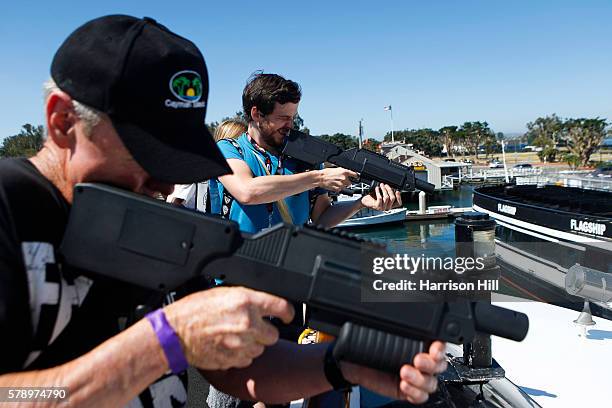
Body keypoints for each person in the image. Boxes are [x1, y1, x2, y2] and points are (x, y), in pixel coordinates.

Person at [0, 15, 446, 408]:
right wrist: (162, 342)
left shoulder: (137, 216)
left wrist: (342, 364)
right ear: (62, 121)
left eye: (175, 162)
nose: (167, 185)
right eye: (146, 156)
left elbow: (234, 371)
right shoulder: (9, 208)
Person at [213, 73, 402, 234]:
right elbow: (247, 191)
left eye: (292, 118)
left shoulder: (305, 158)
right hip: (238, 273)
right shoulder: (229, 149)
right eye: (283, 118)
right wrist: (319, 178)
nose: (290, 125)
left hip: (290, 269)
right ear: (256, 114)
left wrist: (360, 203)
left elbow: (320, 219)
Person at [168, 119, 246, 211]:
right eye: (240, 142)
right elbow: (174, 204)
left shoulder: (234, 174)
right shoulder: (198, 167)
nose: (244, 147)